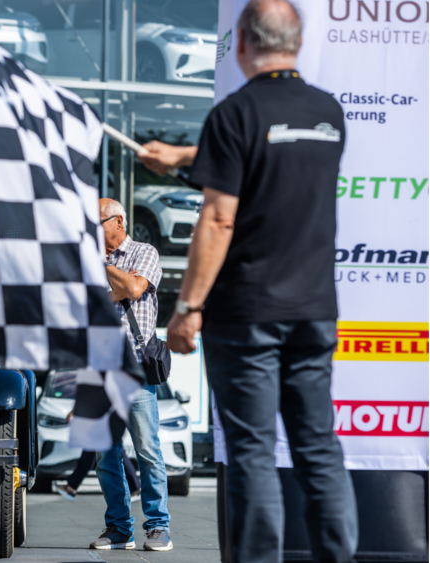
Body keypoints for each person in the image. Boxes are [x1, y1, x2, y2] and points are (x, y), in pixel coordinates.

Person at [157, 2, 358, 562]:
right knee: (318, 447)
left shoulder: (233, 114)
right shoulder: (327, 113)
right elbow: (271, 154)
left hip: (246, 312)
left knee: (251, 451)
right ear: (295, 41)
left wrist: (188, 305)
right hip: (315, 309)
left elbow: (220, 215)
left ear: (242, 42)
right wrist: (181, 159)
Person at [74, 198, 171, 552]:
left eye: (95, 223)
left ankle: (159, 527)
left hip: (135, 368)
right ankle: (119, 528)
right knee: (105, 456)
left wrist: (101, 267)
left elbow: (132, 289)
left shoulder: (145, 252)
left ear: (118, 221)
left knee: (147, 451)